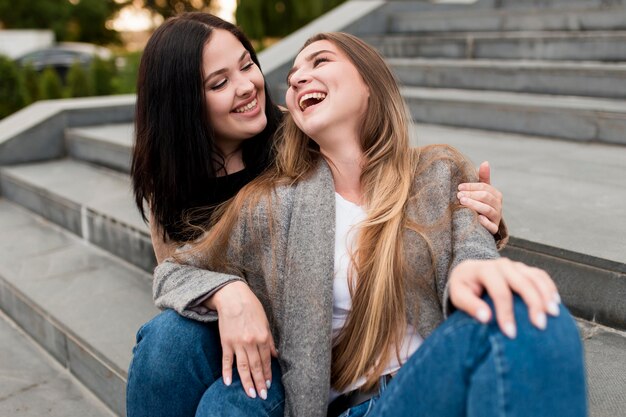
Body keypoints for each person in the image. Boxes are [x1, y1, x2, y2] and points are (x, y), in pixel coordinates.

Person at [154, 31, 587, 417]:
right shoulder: (267, 205)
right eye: (292, 77)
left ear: (368, 83)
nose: (298, 77)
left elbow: (470, 247)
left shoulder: (437, 169)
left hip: (425, 387)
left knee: (535, 316)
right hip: (347, 404)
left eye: (320, 61)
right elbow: (175, 270)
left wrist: (473, 267)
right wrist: (227, 291)